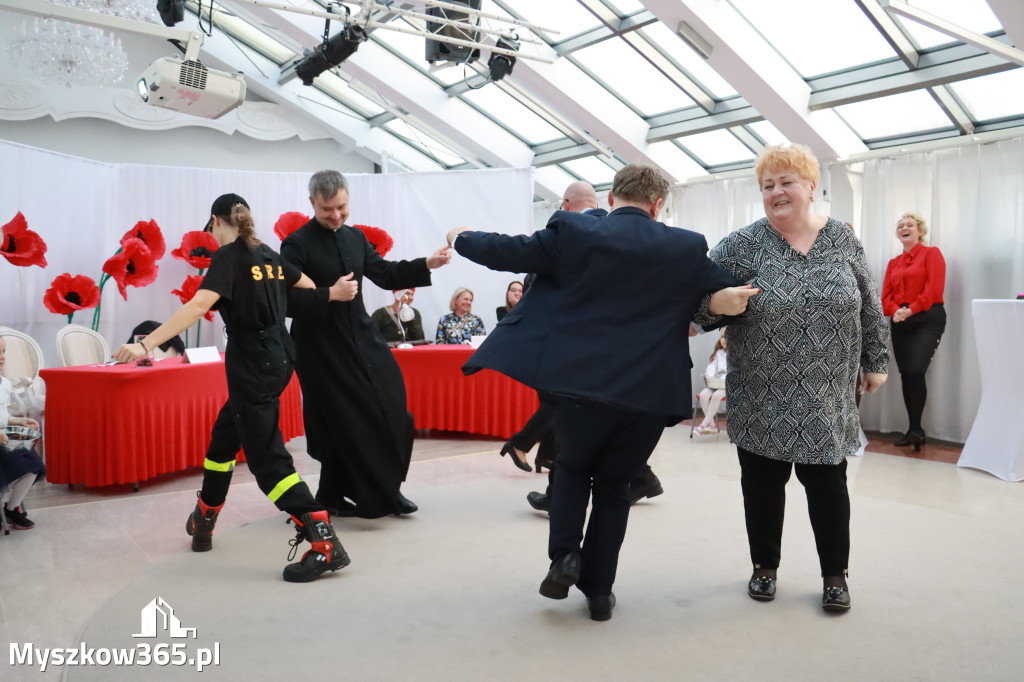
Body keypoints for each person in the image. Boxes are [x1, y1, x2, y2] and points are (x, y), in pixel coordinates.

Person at [447, 164, 744, 621]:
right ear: (658, 205)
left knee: (570, 469)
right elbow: (728, 293)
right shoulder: (686, 246)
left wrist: (459, 235)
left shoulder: (573, 231)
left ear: (611, 198)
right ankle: (600, 592)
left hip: (581, 384)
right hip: (649, 391)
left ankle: (565, 556)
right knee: (614, 485)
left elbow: (502, 251)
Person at [114, 193, 353, 582]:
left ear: (215, 222)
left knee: (267, 461)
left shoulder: (227, 257)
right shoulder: (270, 254)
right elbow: (306, 285)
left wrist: (145, 343)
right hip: (280, 358)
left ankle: (324, 542)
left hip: (253, 363)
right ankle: (204, 518)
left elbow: (197, 306)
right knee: (225, 438)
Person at [695, 144, 889, 613]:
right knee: (761, 488)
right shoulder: (742, 244)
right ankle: (764, 567)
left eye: (786, 182)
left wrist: (876, 359)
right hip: (762, 392)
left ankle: (834, 575)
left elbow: (868, 300)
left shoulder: (842, 237)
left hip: (827, 392)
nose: (776, 192)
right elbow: (695, 302)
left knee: (829, 489)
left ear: (810, 186)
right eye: (767, 185)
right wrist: (715, 305)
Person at [281, 170, 451, 519]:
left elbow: (386, 273)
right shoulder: (295, 245)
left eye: (342, 207)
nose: (337, 215)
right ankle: (349, 493)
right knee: (342, 422)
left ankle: (384, 488)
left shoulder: (356, 238)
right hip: (320, 348)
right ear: (312, 202)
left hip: (362, 337)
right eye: (328, 209)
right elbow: (284, 303)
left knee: (394, 410)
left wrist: (427, 264)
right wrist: (330, 294)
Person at [881, 212, 946, 451]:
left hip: (928, 317)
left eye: (910, 225)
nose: (904, 228)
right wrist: (897, 310)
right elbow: (885, 297)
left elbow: (934, 290)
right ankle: (915, 429)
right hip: (901, 320)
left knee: (915, 369)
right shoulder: (893, 263)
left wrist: (911, 310)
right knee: (907, 373)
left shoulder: (932, 254)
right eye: (900, 226)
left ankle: (917, 429)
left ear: (920, 231)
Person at [0, 336, 45, 530]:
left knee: (33, 466)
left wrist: (19, 421)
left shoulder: (4, 383)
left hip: (4, 435)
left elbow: (3, 415)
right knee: (12, 465)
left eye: (3, 352)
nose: (2, 357)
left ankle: (12, 508)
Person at [695, 329, 728, 435]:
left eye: (727, 337)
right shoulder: (719, 353)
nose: (724, 340)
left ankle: (703, 424)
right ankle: (712, 425)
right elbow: (710, 368)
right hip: (715, 384)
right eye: (722, 337)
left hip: (728, 386)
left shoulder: (737, 355)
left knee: (716, 396)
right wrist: (711, 376)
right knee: (704, 395)